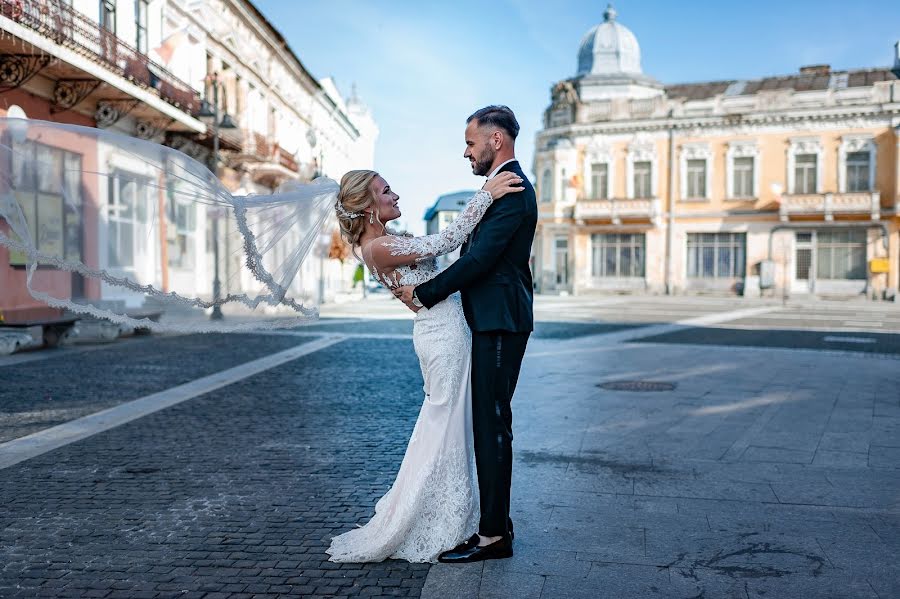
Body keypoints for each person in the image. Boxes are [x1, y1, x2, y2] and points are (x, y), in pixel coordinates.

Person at [325, 160, 523, 563]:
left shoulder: (391, 238)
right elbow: (445, 241)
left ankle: (474, 517)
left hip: (448, 328)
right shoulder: (378, 247)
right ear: (366, 207)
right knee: (445, 424)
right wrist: (486, 195)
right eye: (385, 191)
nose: (395, 195)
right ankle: (447, 518)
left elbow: (441, 257)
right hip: (442, 337)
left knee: (450, 422)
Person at [394, 105, 537, 563]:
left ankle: (494, 535)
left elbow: (479, 262)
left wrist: (425, 293)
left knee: (492, 423)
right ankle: (498, 523)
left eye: (471, 143)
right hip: (493, 316)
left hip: (500, 319)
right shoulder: (499, 190)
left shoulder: (512, 190)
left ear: (496, 141)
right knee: (490, 422)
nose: (466, 152)